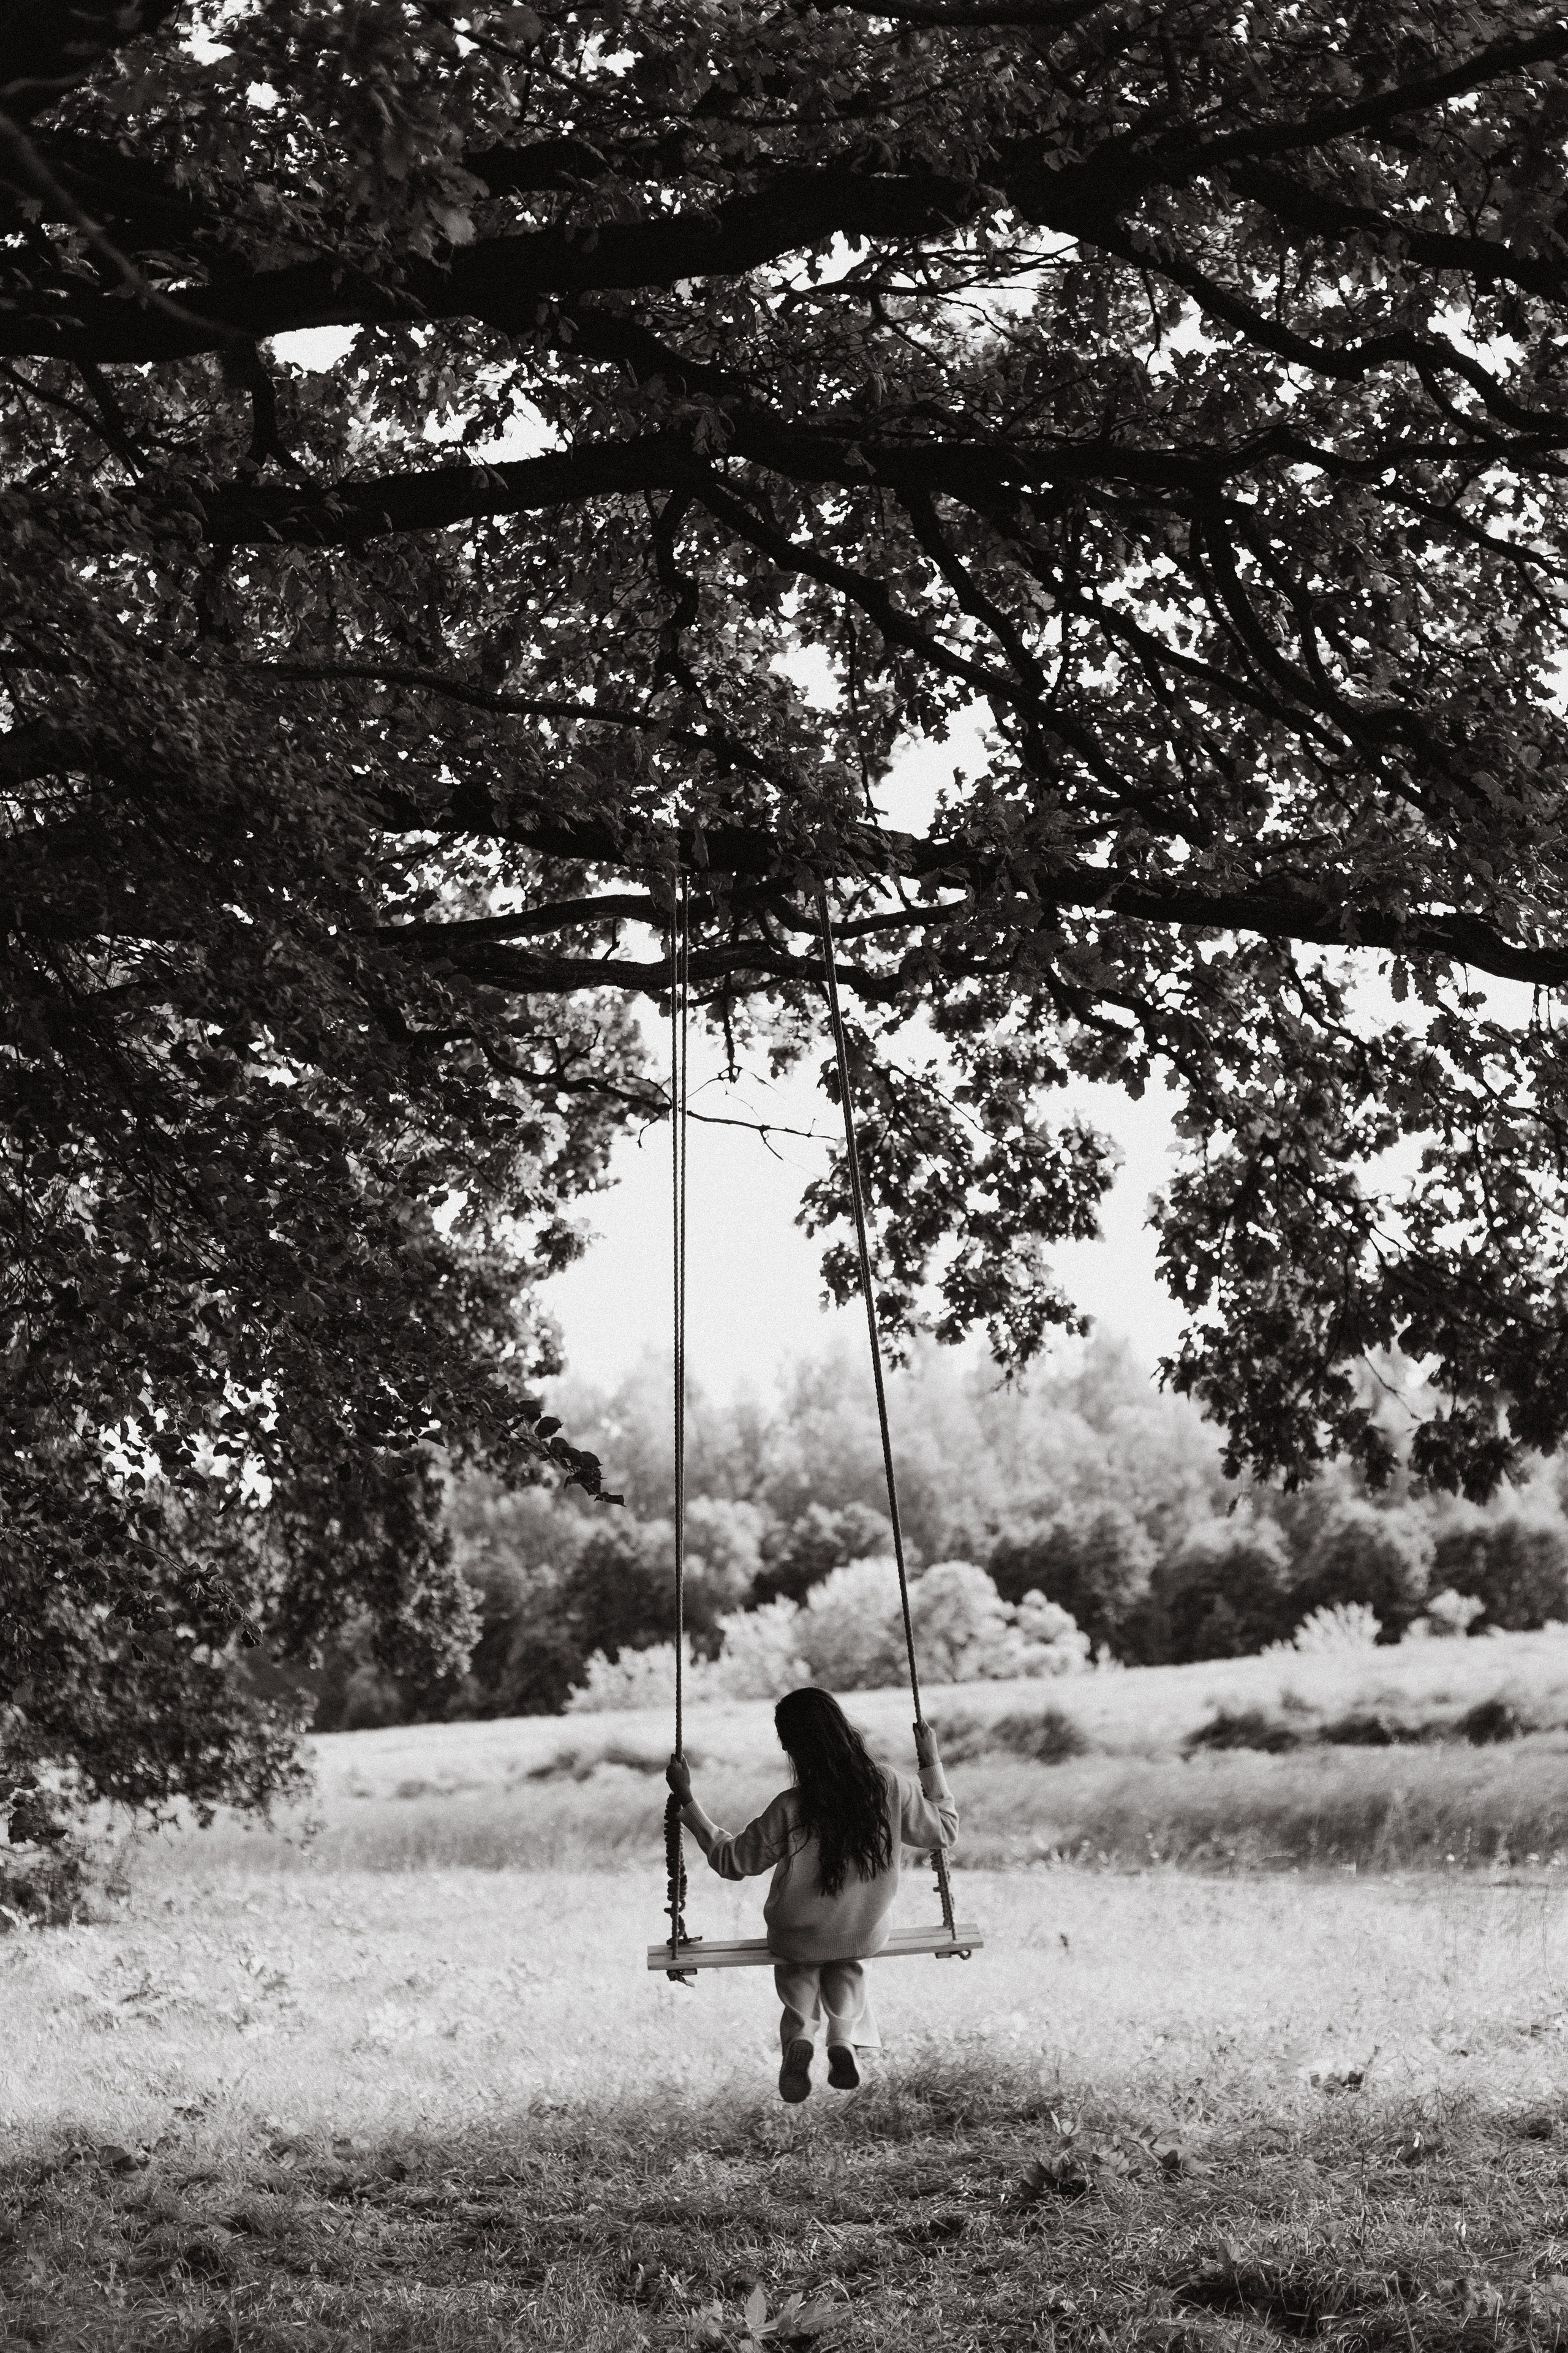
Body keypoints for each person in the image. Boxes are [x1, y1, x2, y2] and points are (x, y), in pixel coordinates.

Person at [665, 1685, 958, 2104]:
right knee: (848, 1959)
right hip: (863, 1930)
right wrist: (930, 1760)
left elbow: (733, 1862)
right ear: (843, 1730)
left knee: (799, 1963)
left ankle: (801, 2032)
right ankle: (841, 2033)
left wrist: (689, 1802)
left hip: (796, 1937)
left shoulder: (790, 1806)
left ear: (790, 1747)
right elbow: (944, 1831)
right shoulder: (889, 1786)